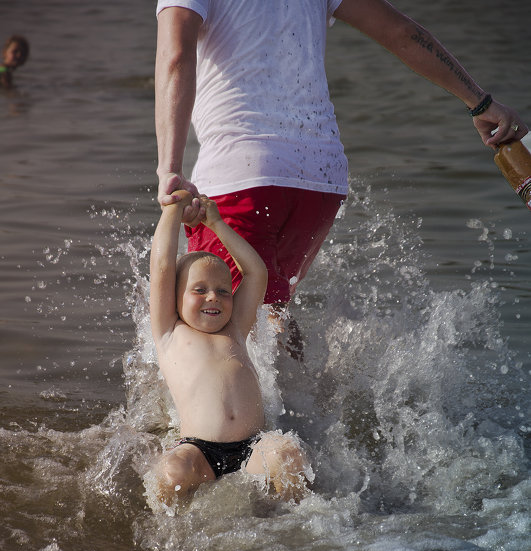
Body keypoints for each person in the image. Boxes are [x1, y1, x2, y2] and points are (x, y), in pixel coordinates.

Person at [154, 0, 528, 331]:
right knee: (270, 317)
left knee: (217, 332)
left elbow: (176, 54)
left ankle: (263, 412)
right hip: (320, 175)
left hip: (243, 173)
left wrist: (169, 167)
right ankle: (307, 407)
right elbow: (400, 31)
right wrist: (479, 103)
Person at [149, 189, 312, 505]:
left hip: (254, 446)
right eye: (200, 290)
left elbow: (256, 272)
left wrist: (217, 224)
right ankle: (168, 538)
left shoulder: (235, 328)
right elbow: (162, 269)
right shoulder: (169, 332)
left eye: (224, 291)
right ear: (176, 297)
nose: (214, 296)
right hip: (200, 450)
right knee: (173, 471)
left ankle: (295, 528)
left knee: (289, 456)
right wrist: (172, 211)